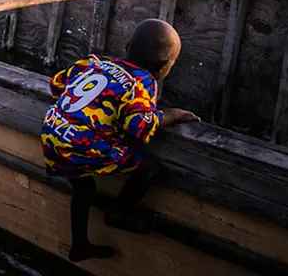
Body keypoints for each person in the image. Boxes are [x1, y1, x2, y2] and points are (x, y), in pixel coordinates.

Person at [41, 18, 200, 263]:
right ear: (164, 67)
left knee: (84, 187)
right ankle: (119, 212)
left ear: (127, 46)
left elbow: (57, 85)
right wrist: (174, 114)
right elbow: (140, 127)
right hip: (81, 147)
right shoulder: (142, 84)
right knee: (148, 168)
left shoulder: (94, 63)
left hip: (53, 135)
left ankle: (80, 245)